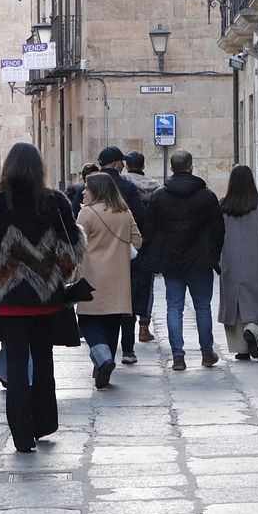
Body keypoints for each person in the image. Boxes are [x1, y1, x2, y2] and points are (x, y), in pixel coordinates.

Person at [0, 142, 85, 452]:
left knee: (17, 365)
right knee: (44, 360)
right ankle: (44, 423)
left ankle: (22, 437)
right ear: (39, 168)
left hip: (9, 301)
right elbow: (74, 245)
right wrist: (56, 277)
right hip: (45, 299)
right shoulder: (56, 202)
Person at [144, 150, 224, 370]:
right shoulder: (206, 196)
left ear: (171, 168)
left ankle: (178, 355)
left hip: (172, 260)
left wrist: (154, 255)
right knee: (203, 307)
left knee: (173, 307)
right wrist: (214, 253)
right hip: (200, 261)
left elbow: (149, 230)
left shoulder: (159, 196)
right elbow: (218, 229)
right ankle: (207, 353)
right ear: (191, 167)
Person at [76, 173, 142, 388]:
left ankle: (102, 359)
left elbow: (77, 245)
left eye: (87, 188)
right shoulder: (124, 212)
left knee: (87, 320)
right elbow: (138, 241)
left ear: (96, 190)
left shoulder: (87, 213)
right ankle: (105, 363)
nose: (84, 192)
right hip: (118, 277)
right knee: (113, 322)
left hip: (92, 275)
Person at [218, 165, 258, 360]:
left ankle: (241, 348)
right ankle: (252, 330)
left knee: (235, 306)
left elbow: (217, 235)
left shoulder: (223, 205)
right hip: (254, 261)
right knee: (255, 303)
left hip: (230, 262)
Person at [98, 146, 147, 364]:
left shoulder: (90, 185)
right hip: (124, 253)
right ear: (117, 164)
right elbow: (140, 217)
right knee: (126, 300)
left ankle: (105, 349)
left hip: (97, 254)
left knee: (103, 303)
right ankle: (128, 350)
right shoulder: (127, 186)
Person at [122, 151, 160, 352]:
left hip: (126, 241)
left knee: (126, 283)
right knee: (147, 284)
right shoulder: (155, 187)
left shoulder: (123, 185)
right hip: (148, 242)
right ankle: (144, 327)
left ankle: (126, 321)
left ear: (127, 166)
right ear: (143, 165)